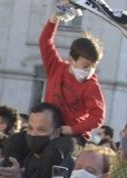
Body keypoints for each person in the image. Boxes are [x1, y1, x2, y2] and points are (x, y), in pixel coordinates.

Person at [39, 8, 105, 138]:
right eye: (85, 66)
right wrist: (54, 18)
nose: (89, 71)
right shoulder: (56, 68)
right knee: (17, 142)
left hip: (73, 135)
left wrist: (74, 129)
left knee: (55, 150)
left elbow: (98, 116)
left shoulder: (91, 86)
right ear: (72, 60)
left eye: (93, 67)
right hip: (48, 127)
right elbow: (45, 42)